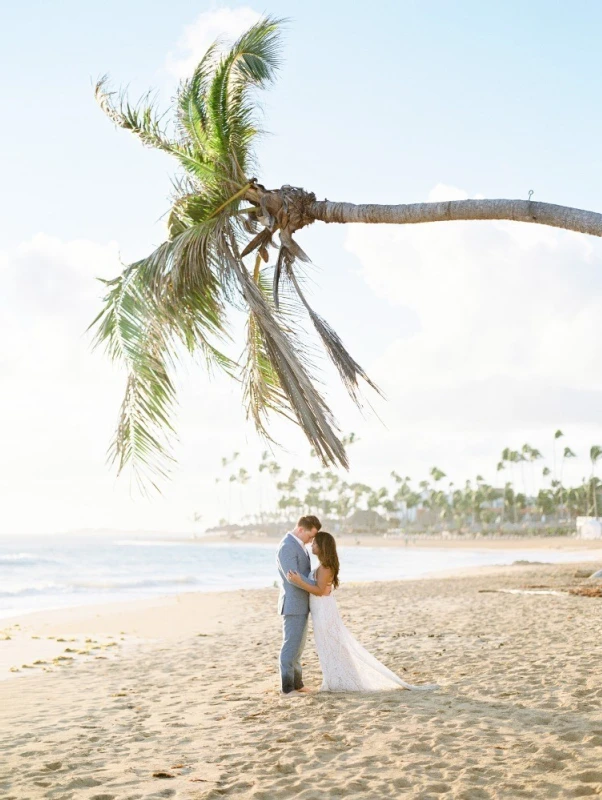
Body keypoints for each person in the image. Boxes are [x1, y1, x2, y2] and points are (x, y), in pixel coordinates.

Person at [288, 531, 438, 693]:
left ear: (323, 546)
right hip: (321, 610)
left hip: (324, 611)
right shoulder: (323, 566)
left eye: (315, 543)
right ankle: (335, 679)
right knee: (328, 646)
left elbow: (319, 590)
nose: (312, 545)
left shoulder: (325, 567)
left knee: (331, 645)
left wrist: (299, 581)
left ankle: (338, 681)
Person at [275, 515, 323, 695]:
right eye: (310, 536)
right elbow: (292, 575)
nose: (312, 541)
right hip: (293, 604)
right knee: (290, 646)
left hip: (302, 603)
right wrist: (316, 587)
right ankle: (287, 688)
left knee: (298, 647)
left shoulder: (299, 545)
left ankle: (297, 684)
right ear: (301, 529)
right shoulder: (287, 546)